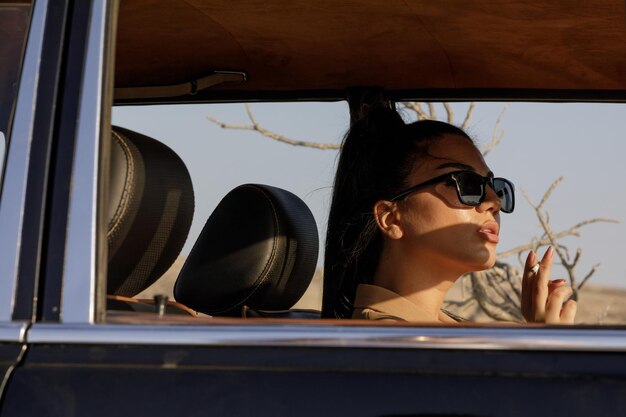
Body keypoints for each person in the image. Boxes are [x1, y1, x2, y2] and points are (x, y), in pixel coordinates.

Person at [321, 104, 576, 324]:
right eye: (466, 184)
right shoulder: (389, 346)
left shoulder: (435, 334)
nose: (494, 201)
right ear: (391, 218)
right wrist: (546, 348)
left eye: (495, 186)